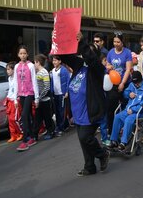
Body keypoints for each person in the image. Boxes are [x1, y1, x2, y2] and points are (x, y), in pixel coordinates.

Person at [61, 32, 109, 176]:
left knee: (85, 137)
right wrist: (60, 39)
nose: (86, 53)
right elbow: (65, 57)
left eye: (90, 50)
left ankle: (102, 154)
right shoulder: (78, 65)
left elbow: (91, 58)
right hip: (78, 110)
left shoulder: (98, 69)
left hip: (91, 110)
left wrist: (82, 42)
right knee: (83, 140)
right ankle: (89, 166)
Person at [109, 71, 143, 150]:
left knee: (128, 119)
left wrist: (133, 110)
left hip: (139, 112)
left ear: (141, 80)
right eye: (134, 83)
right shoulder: (132, 85)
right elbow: (125, 93)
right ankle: (114, 140)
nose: (136, 85)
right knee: (117, 117)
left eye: (137, 83)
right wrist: (129, 94)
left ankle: (123, 142)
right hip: (128, 109)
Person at [106, 32, 132, 137]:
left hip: (125, 84)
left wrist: (122, 83)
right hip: (113, 84)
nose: (116, 44)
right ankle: (111, 130)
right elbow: (107, 64)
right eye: (114, 41)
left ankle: (125, 129)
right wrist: (108, 67)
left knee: (125, 107)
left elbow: (128, 69)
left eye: (118, 42)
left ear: (122, 42)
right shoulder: (110, 52)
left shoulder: (127, 52)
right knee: (111, 107)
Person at [13, 45, 39, 152]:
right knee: (27, 116)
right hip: (21, 95)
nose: (23, 55)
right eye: (21, 53)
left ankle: (24, 141)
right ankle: (32, 137)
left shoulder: (31, 66)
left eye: (24, 53)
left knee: (23, 115)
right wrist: (15, 98)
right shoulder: (16, 67)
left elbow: (34, 81)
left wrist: (36, 98)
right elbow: (15, 82)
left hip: (29, 93)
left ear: (27, 54)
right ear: (18, 55)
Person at [51, 55, 70, 136]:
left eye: (56, 60)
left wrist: (67, 92)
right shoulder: (52, 71)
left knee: (62, 111)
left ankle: (60, 127)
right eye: (53, 60)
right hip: (55, 93)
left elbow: (68, 80)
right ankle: (63, 125)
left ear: (60, 61)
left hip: (62, 93)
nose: (54, 62)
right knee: (57, 111)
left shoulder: (64, 70)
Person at [4, 61, 23, 143]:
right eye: (7, 69)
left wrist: (15, 100)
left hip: (15, 100)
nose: (7, 71)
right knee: (10, 120)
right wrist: (7, 99)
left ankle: (21, 133)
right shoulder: (9, 78)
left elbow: (16, 91)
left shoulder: (17, 78)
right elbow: (11, 90)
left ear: (13, 70)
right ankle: (13, 135)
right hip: (10, 100)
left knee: (15, 119)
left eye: (9, 69)